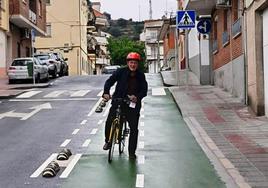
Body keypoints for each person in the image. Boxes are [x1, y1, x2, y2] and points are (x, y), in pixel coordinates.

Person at [102, 52, 148, 160]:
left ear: (138, 64)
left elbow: (144, 90)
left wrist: (137, 97)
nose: (133, 65)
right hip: (119, 100)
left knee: (134, 129)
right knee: (110, 119)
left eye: (135, 63)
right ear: (128, 63)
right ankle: (108, 141)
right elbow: (109, 81)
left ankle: (132, 152)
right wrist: (106, 92)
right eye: (131, 62)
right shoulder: (120, 72)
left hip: (132, 104)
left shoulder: (141, 75)